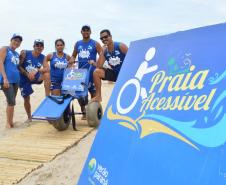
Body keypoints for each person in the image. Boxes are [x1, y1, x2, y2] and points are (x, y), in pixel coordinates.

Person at [70, 25, 102, 119]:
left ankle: (93, 113)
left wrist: (96, 63)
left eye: (87, 30)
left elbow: (102, 55)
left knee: (93, 93)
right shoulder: (77, 44)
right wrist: (71, 60)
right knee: (81, 94)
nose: (85, 32)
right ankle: (84, 112)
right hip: (81, 73)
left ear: (90, 32)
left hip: (92, 72)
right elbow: (73, 55)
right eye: (84, 30)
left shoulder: (95, 43)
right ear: (81, 32)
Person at [92, 29, 128, 102]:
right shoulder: (105, 50)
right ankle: (98, 96)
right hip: (115, 74)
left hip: (125, 74)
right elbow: (99, 66)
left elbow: (133, 58)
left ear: (110, 36)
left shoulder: (120, 46)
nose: (104, 39)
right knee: (96, 72)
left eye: (105, 37)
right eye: (101, 38)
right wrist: (102, 51)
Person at [18, 39, 49, 123]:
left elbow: (47, 68)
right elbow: (18, 66)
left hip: (36, 77)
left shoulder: (43, 57)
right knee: (26, 98)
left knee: (46, 74)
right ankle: (29, 117)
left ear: (43, 47)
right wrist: (27, 74)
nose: (39, 47)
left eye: (41, 45)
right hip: (23, 78)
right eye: (37, 45)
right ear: (33, 46)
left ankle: (48, 96)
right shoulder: (25, 53)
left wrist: (38, 70)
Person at [0, 34, 23, 128]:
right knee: (11, 101)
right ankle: (7, 123)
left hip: (16, 80)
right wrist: (4, 78)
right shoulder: (5, 49)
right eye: (15, 40)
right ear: (11, 40)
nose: (16, 42)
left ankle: (11, 121)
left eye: (18, 41)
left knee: (12, 102)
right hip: (7, 80)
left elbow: (18, 67)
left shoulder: (17, 54)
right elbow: (0, 62)